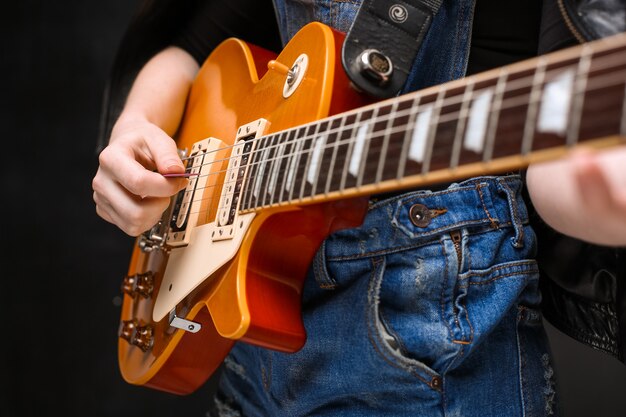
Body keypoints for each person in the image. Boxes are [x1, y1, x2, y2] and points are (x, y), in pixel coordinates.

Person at [92, 0, 626, 415]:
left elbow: (564, 169)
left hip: (433, 350)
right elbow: (194, 38)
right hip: (250, 356)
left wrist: (596, 196)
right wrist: (135, 124)